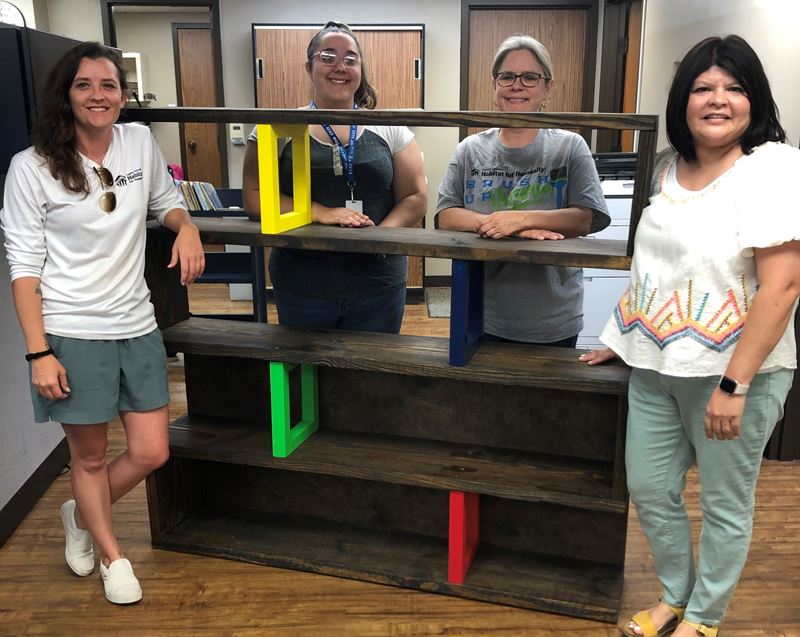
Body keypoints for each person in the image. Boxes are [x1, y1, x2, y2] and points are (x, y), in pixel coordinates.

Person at [580, 35, 800, 637]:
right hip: (657, 366)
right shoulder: (665, 165)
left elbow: (782, 288)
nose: (718, 100)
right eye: (704, 87)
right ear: (684, 99)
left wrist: (735, 384)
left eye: (734, 88)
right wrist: (623, 340)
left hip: (735, 375)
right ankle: (675, 595)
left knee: (727, 505)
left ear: (754, 99)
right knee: (650, 488)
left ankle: (704, 617)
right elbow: (656, 268)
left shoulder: (774, 168)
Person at [1, 42, 204, 604]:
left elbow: (165, 200)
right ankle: (113, 558)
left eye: (109, 85)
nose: (98, 95)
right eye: (85, 85)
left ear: (123, 93)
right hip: (71, 330)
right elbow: (23, 270)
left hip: (136, 322)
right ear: (66, 96)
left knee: (151, 451)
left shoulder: (137, 140)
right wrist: (39, 352)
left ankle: (79, 513)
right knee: (88, 457)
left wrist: (185, 225)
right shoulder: (32, 167)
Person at [242, 21, 427, 334]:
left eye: (350, 59)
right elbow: (254, 196)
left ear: (360, 69)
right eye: (328, 56)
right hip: (302, 285)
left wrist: (380, 237)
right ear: (309, 65)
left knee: (371, 377)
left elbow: (416, 197)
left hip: (378, 284)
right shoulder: (275, 130)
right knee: (308, 378)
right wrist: (321, 212)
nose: (340, 66)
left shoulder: (391, 128)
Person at [436, 35, 609, 347]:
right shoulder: (469, 150)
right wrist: (500, 225)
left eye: (530, 77)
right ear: (495, 84)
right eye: (507, 76)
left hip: (552, 319)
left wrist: (523, 220)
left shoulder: (570, 146)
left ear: (547, 87)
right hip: (479, 314)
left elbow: (586, 218)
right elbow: (445, 216)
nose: (518, 85)